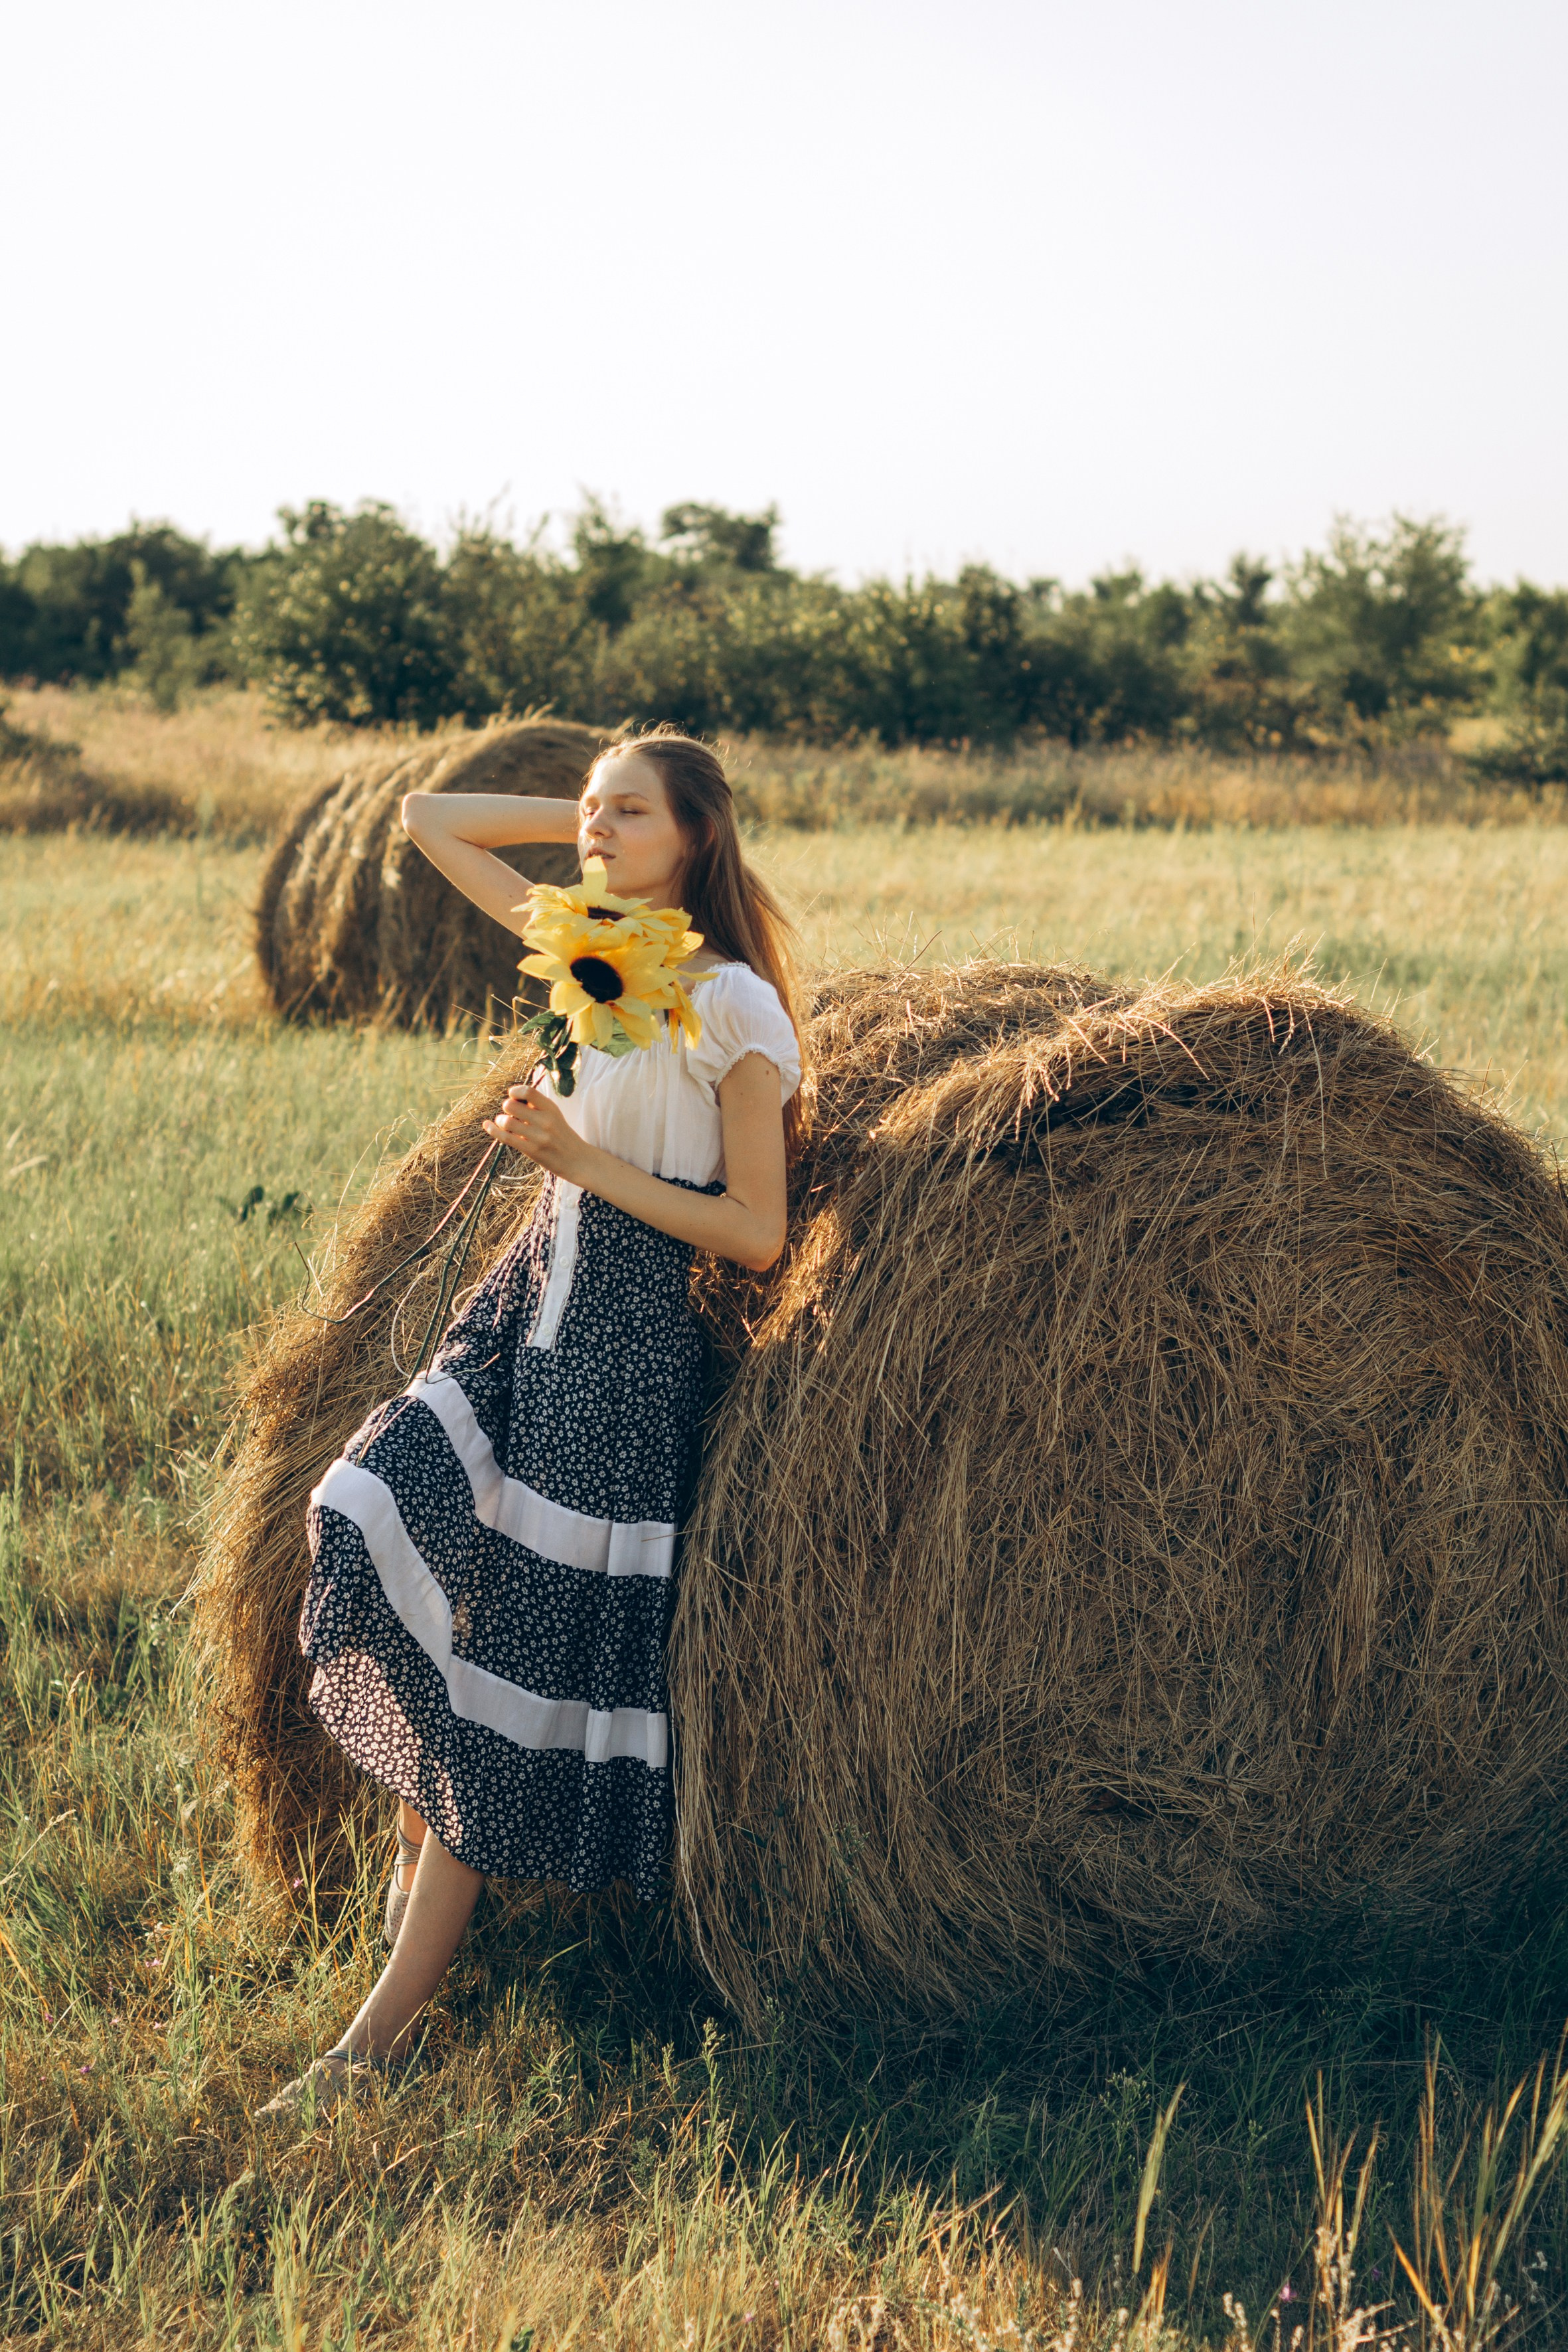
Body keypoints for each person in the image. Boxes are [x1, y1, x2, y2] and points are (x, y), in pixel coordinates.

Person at [256, 728, 802, 2122]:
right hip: (529, 1312)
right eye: (590, 806)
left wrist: (580, 1159)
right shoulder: (591, 952)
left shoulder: (729, 1006)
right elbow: (434, 821)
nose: (599, 826)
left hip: (622, 1350)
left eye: (630, 810)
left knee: (502, 1670)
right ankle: (416, 1900)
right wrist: (568, 805)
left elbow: (753, 1231)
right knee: (373, 1509)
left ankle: (375, 2038)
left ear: (697, 833)